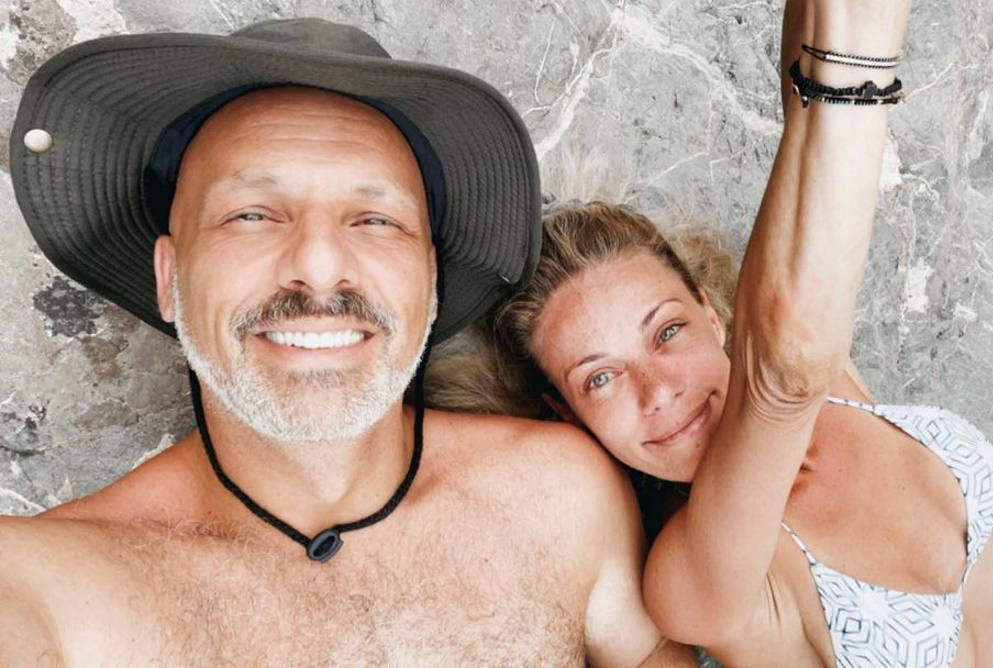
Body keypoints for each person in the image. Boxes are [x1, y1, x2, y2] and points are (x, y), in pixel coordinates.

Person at [1, 19, 697, 666]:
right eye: (251, 215)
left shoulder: (562, 496)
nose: (318, 266)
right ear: (169, 277)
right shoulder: (43, 583)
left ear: (429, 280)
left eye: (374, 220)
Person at [467, 0, 993, 665]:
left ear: (712, 313)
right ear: (569, 415)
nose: (658, 390)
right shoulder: (690, 583)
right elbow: (781, 378)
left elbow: (803, 125)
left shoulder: (829, 377)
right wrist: (866, 47)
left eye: (667, 332)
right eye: (600, 378)